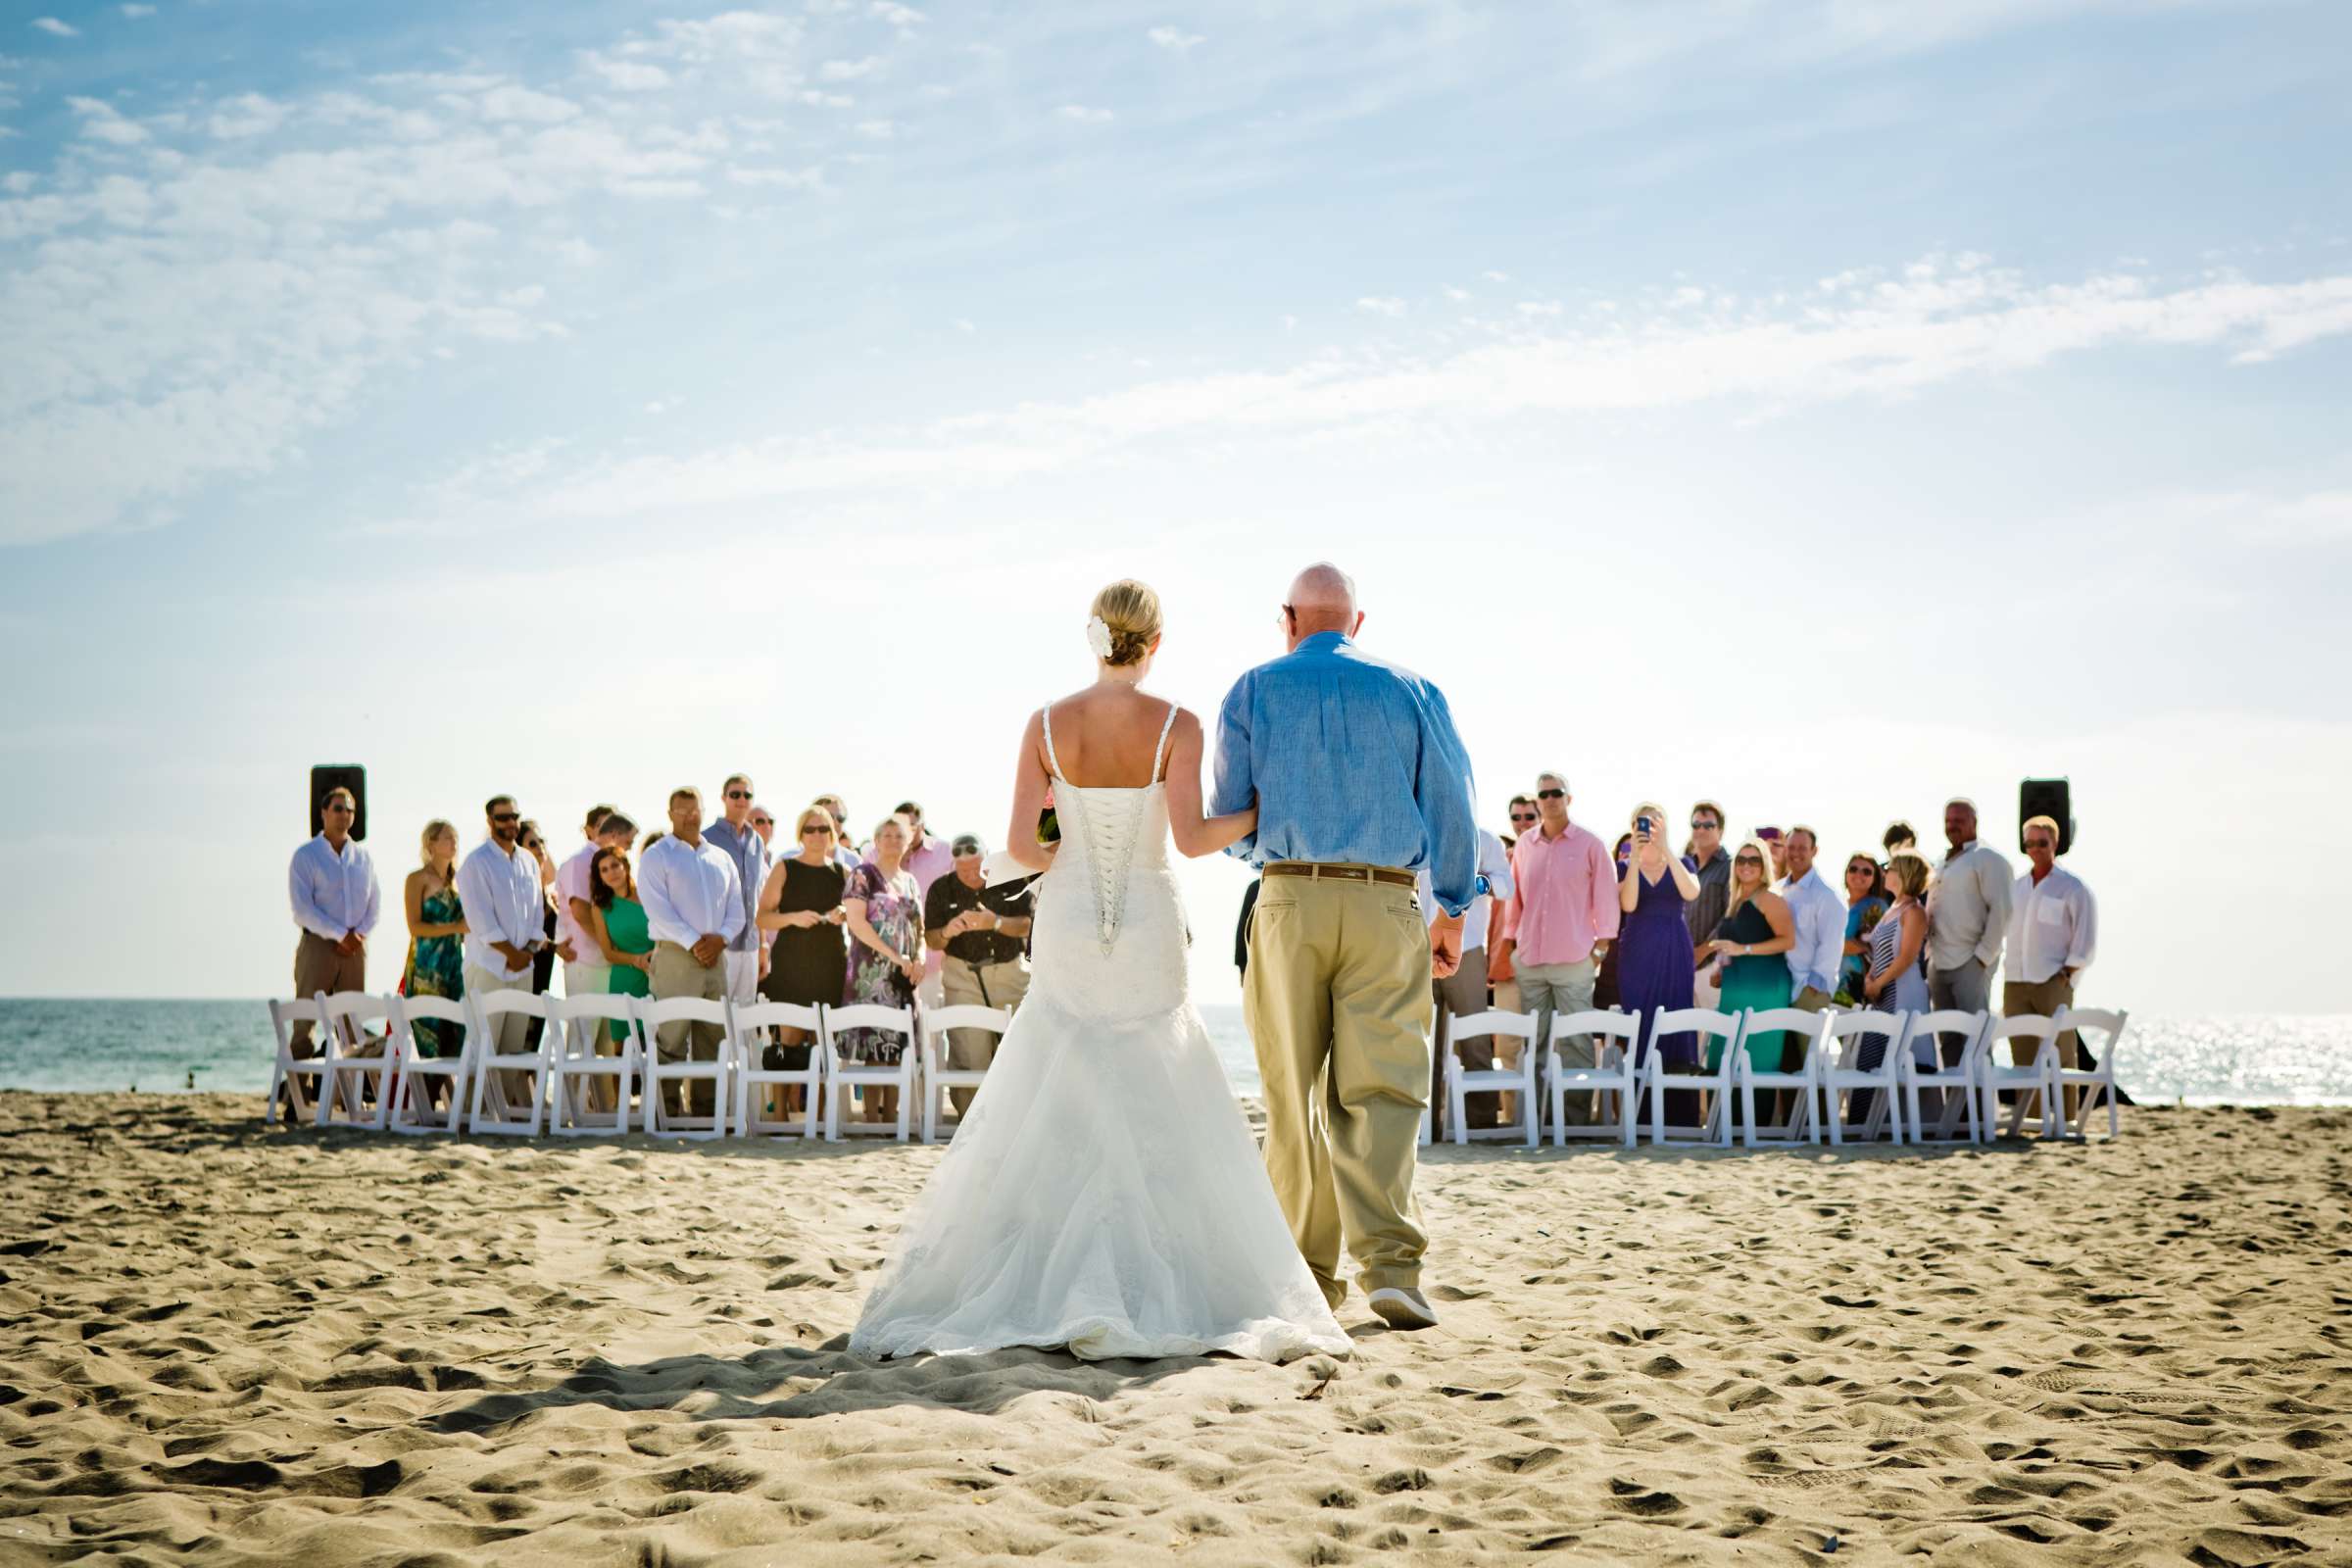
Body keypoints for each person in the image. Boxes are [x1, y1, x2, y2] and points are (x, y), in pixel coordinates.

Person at [850, 576, 1349, 1363]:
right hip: (1148, 916)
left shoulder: (1046, 724)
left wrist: (1067, 833)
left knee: (1062, 1071)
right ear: (1155, 642)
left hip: (1071, 914)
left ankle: (1046, 1273)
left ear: (1096, 637)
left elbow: (1025, 846)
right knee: (1160, 1072)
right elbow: (1189, 839)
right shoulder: (1178, 723)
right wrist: (1257, 811)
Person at [1211, 563, 1476, 1332]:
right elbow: (1453, 801)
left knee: (1292, 1094)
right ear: (1357, 623)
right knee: (1385, 1089)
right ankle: (1392, 1269)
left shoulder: (1253, 688)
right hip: (1389, 898)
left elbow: (1232, 813)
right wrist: (1454, 906)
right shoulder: (1414, 689)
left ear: (1289, 617)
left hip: (1288, 895)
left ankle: (1308, 1278)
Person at [1492, 774, 1615, 1128]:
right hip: (1530, 961)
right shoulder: (1526, 845)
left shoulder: (1592, 844)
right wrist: (1514, 946)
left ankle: (1575, 1124)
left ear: (1568, 798)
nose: (1549, 799)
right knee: (1536, 1044)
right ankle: (1539, 1121)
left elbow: (1606, 901)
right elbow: (1514, 901)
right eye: (1543, 793)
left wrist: (1598, 953)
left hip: (1575, 962)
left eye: (1555, 793)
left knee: (1576, 1044)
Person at [637, 787, 744, 1119]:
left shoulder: (720, 858)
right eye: (681, 811)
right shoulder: (658, 855)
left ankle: (706, 1114)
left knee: (713, 1038)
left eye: (694, 809)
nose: (689, 816)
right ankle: (664, 1113)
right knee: (671, 1036)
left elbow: (737, 909)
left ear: (703, 810)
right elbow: (657, 908)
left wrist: (721, 940)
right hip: (675, 955)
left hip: (716, 956)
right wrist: (694, 942)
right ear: (670, 814)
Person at [925, 832, 1037, 1113]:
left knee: (1019, 1052)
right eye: (963, 869)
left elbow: (1027, 924)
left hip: (1010, 974)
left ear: (986, 859)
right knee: (969, 1054)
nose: (970, 874)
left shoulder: (1011, 879)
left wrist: (994, 922)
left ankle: (1017, 1117)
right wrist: (947, 931)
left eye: (975, 868)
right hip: (963, 977)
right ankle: (971, 1123)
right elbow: (931, 939)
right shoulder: (941, 889)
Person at [754, 808, 852, 1116]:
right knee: (789, 1041)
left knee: (823, 1041)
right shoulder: (785, 868)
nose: (817, 835)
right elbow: (762, 917)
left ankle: (820, 1115)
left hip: (830, 961)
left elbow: (856, 914)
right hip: (793, 963)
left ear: (832, 834)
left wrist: (845, 915)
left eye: (823, 829)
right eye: (810, 829)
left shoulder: (841, 873)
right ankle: (781, 1112)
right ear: (800, 834)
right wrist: (795, 918)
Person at [2003, 815, 2098, 1121]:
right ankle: (2030, 1119)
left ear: (2055, 843)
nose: (2035, 849)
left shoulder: (2072, 888)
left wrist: (2069, 973)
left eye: (2041, 843)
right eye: (2029, 843)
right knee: (2023, 1057)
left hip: (2053, 980)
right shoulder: (2016, 888)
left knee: (2062, 1054)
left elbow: (2085, 937)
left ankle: (2068, 1117)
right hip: (2016, 982)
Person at [1421, 823, 1514, 1133]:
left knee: (1475, 1040)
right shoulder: (1416, 834)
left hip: (1468, 948)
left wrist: (1482, 884)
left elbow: (1506, 885)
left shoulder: (1484, 840)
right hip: (1417, 949)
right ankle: (1426, 1125)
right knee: (1422, 1042)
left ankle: (1482, 1122)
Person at [840, 815, 927, 1125]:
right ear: (875, 841)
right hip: (870, 973)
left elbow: (920, 928)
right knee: (875, 1046)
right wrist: (895, 956)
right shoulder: (863, 875)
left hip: (904, 976)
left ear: (908, 842)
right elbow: (857, 923)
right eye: (886, 835)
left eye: (898, 835)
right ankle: (873, 1117)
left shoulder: (912, 881)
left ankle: (893, 1118)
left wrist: (918, 959)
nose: (892, 840)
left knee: (899, 1048)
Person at [455, 796, 547, 1086]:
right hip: (488, 966)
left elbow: (537, 911)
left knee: (513, 1049)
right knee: (482, 1046)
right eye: (502, 817)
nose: (509, 823)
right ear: (490, 821)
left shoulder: (529, 862)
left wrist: (529, 951)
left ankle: (502, 1115)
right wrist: (511, 953)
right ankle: (470, 1114)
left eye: (514, 816)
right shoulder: (475, 863)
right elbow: (480, 920)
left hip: (524, 967)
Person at [284, 786, 381, 1063]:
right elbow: (302, 909)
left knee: (351, 1025)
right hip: (318, 946)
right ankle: (295, 1098)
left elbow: (375, 903)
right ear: (324, 812)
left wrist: (358, 935)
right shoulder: (307, 855)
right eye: (338, 808)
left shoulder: (363, 858)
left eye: (350, 809)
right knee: (305, 1022)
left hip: (354, 949)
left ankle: (346, 1092)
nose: (344, 815)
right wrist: (339, 935)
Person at [1618, 804, 1699, 1126]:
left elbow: (1691, 892)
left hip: (1674, 950)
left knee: (1676, 1020)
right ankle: (1641, 1115)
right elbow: (1629, 904)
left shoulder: (1685, 862)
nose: (1648, 828)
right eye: (1643, 822)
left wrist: (1665, 849)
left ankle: (1679, 1117)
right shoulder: (1625, 866)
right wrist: (1636, 857)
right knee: (1639, 1023)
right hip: (1638, 952)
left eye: (1655, 822)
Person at [1699, 840, 1794, 1079]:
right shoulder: (1737, 899)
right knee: (1722, 1061)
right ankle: (1723, 1117)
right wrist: (1721, 969)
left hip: (1763, 990)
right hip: (1734, 988)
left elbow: (1787, 941)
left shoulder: (1771, 899)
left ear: (1764, 865)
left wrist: (1745, 949)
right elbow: (1732, 944)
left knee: (1755, 1065)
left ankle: (1753, 1117)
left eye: (1754, 860)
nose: (1746, 865)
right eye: (1741, 860)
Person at [1856, 852, 1933, 1126]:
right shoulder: (1893, 909)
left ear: (1904, 874)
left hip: (1902, 994)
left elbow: (1906, 958)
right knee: (1869, 1059)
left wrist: (1878, 982)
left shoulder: (1914, 912)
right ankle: (1864, 1124)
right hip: (1881, 993)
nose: (1884, 872)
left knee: (1899, 1059)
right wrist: (1870, 980)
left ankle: (1894, 1125)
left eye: (1889, 868)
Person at [1926, 798, 2013, 1022]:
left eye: (1959, 820)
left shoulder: (1987, 858)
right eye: (1948, 820)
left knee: (1975, 1038)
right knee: (1947, 1039)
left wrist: (1982, 957)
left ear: (1974, 822)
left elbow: (2002, 909)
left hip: (1969, 962)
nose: (1952, 825)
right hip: (1939, 962)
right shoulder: (1941, 861)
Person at [586, 846, 653, 1110]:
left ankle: (657, 1104)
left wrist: (654, 957)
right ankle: (621, 1106)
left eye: (615, 865)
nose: (611, 873)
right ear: (599, 876)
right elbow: (608, 952)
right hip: (625, 976)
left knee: (661, 1043)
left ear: (625, 865)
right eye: (604, 869)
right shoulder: (601, 908)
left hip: (658, 974)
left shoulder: (648, 896)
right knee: (621, 1047)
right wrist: (636, 960)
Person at [400, 819, 467, 1065]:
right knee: (428, 1036)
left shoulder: (458, 880)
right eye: (448, 838)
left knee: (456, 1034)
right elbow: (414, 927)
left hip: (454, 963)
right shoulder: (417, 879)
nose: (454, 843)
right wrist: (455, 927)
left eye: (456, 838)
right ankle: (423, 1100)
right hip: (427, 965)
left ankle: (449, 1100)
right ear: (431, 843)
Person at [704, 773, 772, 1006]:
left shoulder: (757, 841)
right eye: (735, 794)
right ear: (724, 798)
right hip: (721, 942)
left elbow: (758, 895)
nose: (741, 799)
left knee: (746, 1013)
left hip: (751, 942)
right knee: (719, 1014)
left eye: (747, 795)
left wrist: (763, 943)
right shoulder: (706, 839)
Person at [555, 806, 625, 1011]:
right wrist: (610, 947)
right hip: (585, 961)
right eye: (604, 826)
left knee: (607, 1042)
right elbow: (580, 911)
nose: (611, 832)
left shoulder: (619, 863)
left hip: (610, 963)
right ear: (589, 830)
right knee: (583, 1039)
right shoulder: (580, 862)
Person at [1776, 827, 1847, 1015]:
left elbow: (1831, 945)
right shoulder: (1777, 889)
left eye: (1802, 848)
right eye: (1791, 847)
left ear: (1814, 851)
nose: (1795, 853)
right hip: (1779, 986)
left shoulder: (1827, 895)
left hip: (1808, 989)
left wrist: (1812, 986)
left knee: (1810, 1046)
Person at [515, 820, 568, 1049]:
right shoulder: (519, 887)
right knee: (520, 1042)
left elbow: (553, 872)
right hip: (524, 970)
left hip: (543, 974)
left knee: (533, 1041)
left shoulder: (544, 891)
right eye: (533, 843)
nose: (540, 848)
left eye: (542, 842)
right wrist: (554, 947)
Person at [1681, 800, 1732, 1009]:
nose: (1701, 830)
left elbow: (1730, 916)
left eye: (1708, 825)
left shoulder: (1730, 867)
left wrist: (1702, 950)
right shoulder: (1684, 866)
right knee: (1683, 1031)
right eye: (1696, 825)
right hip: (1682, 963)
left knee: (1711, 1034)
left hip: (1712, 967)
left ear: (1720, 830)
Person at [1490, 796, 1539, 1012]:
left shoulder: (1556, 856)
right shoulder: (1502, 860)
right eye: (1516, 817)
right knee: (1507, 1038)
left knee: (1546, 1040)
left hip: (1545, 964)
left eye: (1529, 816)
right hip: (1506, 960)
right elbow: (1494, 914)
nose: (1522, 822)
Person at [1836, 853, 1891, 1006]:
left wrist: (1826, 945)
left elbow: (1863, 946)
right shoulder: (1837, 903)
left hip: (1856, 982)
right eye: (1853, 869)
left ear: (1875, 879)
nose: (1859, 874)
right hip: (1832, 980)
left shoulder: (1876, 906)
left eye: (1866, 871)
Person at [1593, 832, 1636, 1010]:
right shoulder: (1614, 872)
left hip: (1635, 951)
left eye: (1636, 848)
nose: (1629, 852)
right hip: (1610, 951)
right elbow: (1608, 896)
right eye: (1625, 848)